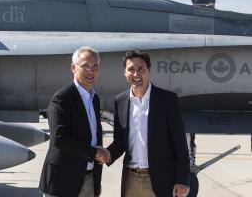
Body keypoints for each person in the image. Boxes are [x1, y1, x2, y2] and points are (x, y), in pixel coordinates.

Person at [106, 50, 190, 197]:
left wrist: (182, 180)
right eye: (131, 69)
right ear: (124, 72)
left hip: (161, 180)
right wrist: (104, 154)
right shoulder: (120, 101)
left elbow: (180, 143)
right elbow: (120, 142)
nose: (136, 74)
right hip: (131, 181)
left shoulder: (167, 100)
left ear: (148, 71)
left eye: (141, 69)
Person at [39, 46, 110, 197]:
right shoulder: (62, 98)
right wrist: (94, 152)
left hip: (89, 179)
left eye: (95, 66)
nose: (90, 71)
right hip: (63, 182)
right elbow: (60, 138)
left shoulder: (94, 98)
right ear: (73, 68)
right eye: (85, 66)